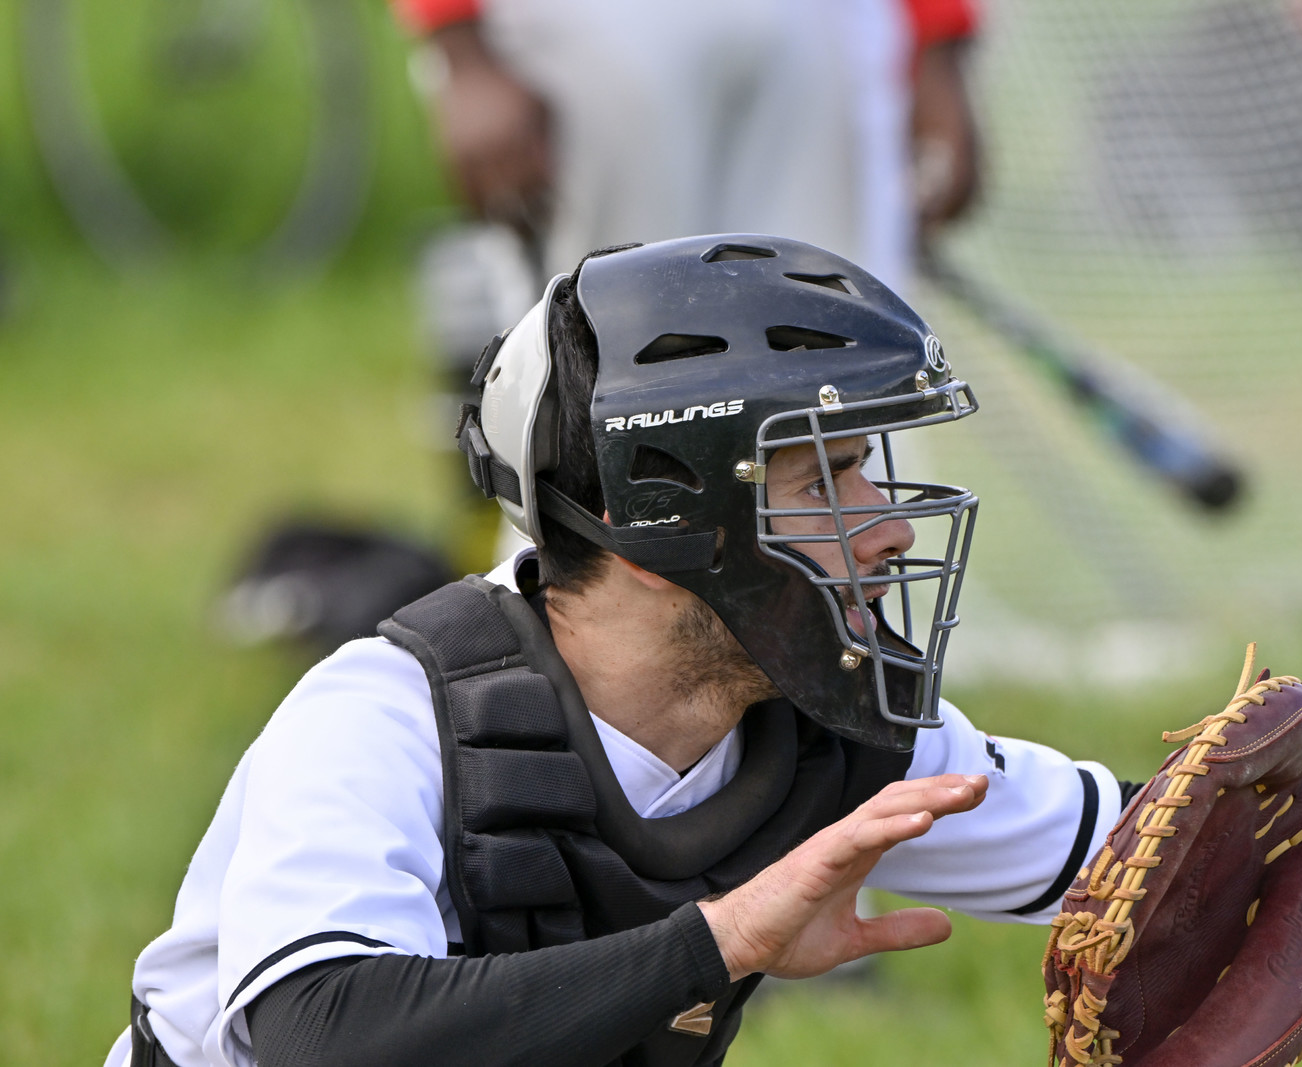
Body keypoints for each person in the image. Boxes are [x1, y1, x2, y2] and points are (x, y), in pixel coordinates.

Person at [105, 236, 1127, 1067]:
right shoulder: (389, 714)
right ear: (656, 516)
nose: (890, 524)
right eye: (825, 478)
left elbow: (1147, 845)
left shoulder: (838, 722)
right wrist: (724, 939)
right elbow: (321, 1035)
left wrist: (1274, 811)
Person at [397, 0, 983, 291]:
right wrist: (458, 40)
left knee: (841, 342)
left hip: (820, 17)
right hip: (591, 20)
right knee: (607, 348)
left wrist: (938, 41)